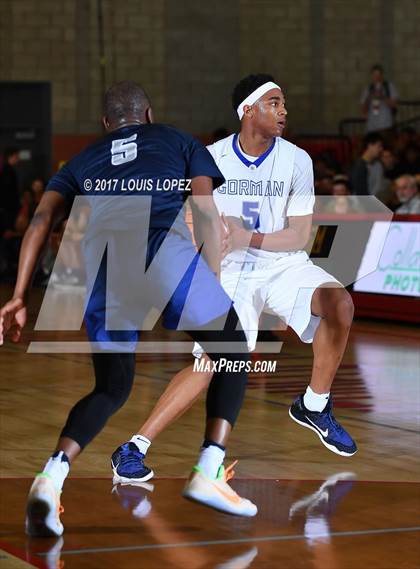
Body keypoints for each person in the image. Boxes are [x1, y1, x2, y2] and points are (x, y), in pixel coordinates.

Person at [0, 80, 258, 537]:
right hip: (161, 251)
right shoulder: (178, 140)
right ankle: (210, 468)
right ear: (149, 115)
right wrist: (213, 283)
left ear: (106, 124)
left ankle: (51, 477)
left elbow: (41, 219)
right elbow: (203, 207)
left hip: (105, 270)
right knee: (232, 343)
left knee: (112, 387)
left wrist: (19, 295)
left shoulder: (83, 159)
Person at [118, 74, 357, 486]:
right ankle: (134, 446)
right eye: (275, 103)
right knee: (212, 361)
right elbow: (188, 220)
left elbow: (300, 235)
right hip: (230, 272)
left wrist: (248, 235)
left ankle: (314, 404)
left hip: (283, 263)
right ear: (248, 110)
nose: (284, 111)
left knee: (339, 303)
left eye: (284, 104)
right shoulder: (208, 158)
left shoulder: (297, 160)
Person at [360, 64, 398, 134]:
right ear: (371, 76)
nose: (377, 78)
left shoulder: (389, 87)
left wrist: (382, 97)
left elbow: (394, 105)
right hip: (371, 126)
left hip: (385, 125)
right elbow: (363, 110)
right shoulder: (368, 89)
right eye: (375, 75)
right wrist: (369, 98)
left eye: (379, 75)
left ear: (382, 75)